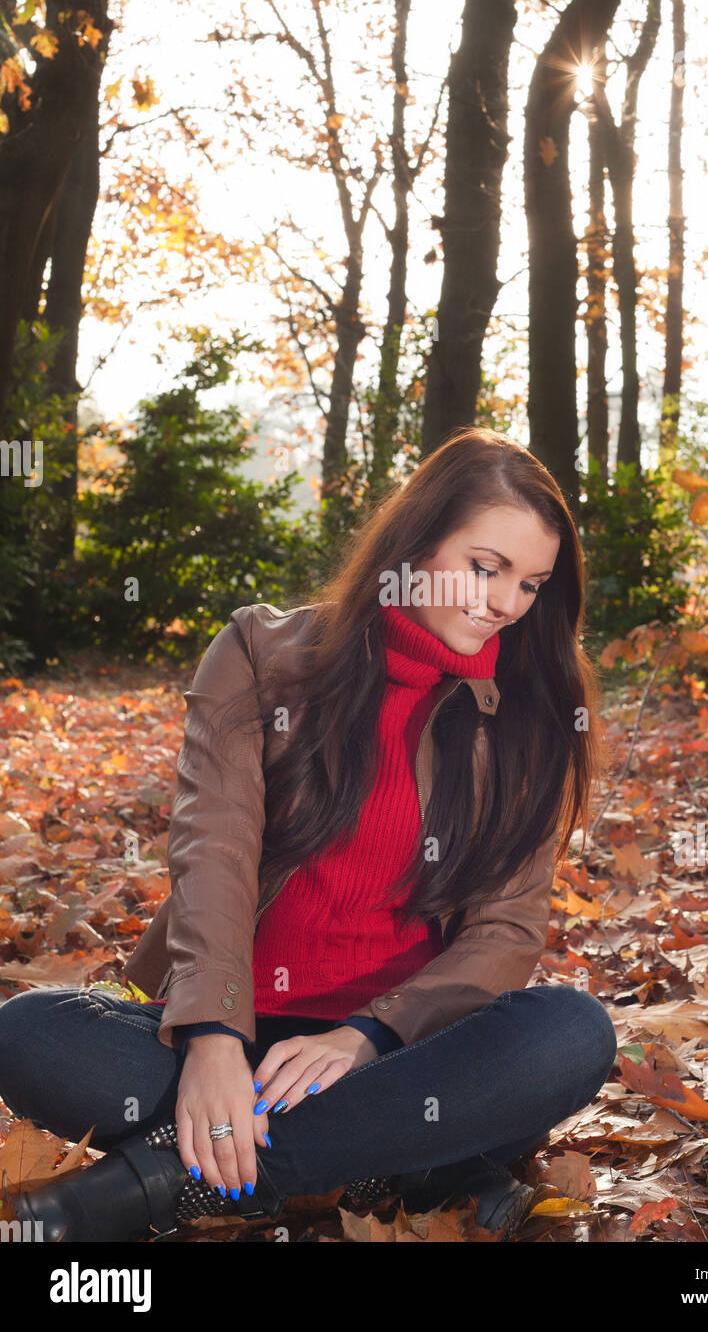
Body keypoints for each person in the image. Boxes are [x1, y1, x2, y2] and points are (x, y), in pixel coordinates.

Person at [0, 426, 617, 1242]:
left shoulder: (528, 716)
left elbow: (505, 933)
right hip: (234, 1041)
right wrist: (218, 1038)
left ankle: (165, 1180)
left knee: (571, 1034)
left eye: (531, 584)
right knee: (31, 1033)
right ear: (418, 537)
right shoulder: (263, 655)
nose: (505, 604)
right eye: (485, 567)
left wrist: (367, 1036)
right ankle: (403, 1160)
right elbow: (211, 853)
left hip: (410, 1058)